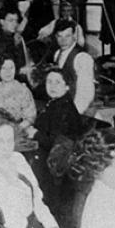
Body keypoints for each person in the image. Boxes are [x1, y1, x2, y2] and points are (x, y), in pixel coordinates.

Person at [26, 67, 85, 206]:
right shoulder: (55, 103)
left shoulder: (64, 109)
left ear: (67, 86)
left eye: (57, 82)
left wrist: (35, 134)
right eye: (49, 82)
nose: (52, 86)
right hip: (52, 163)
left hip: (57, 170)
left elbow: (57, 143)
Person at [50, 19, 94, 114]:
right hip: (62, 108)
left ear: (74, 36)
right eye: (59, 36)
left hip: (79, 110)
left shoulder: (82, 58)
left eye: (67, 36)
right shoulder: (57, 54)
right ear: (55, 37)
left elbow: (86, 92)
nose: (63, 40)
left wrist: (75, 113)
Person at [0, 55, 36, 130]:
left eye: (11, 68)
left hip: (17, 131)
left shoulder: (23, 90)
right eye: (4, 68)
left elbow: (30, 118)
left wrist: (16, 129)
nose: (8, 72)